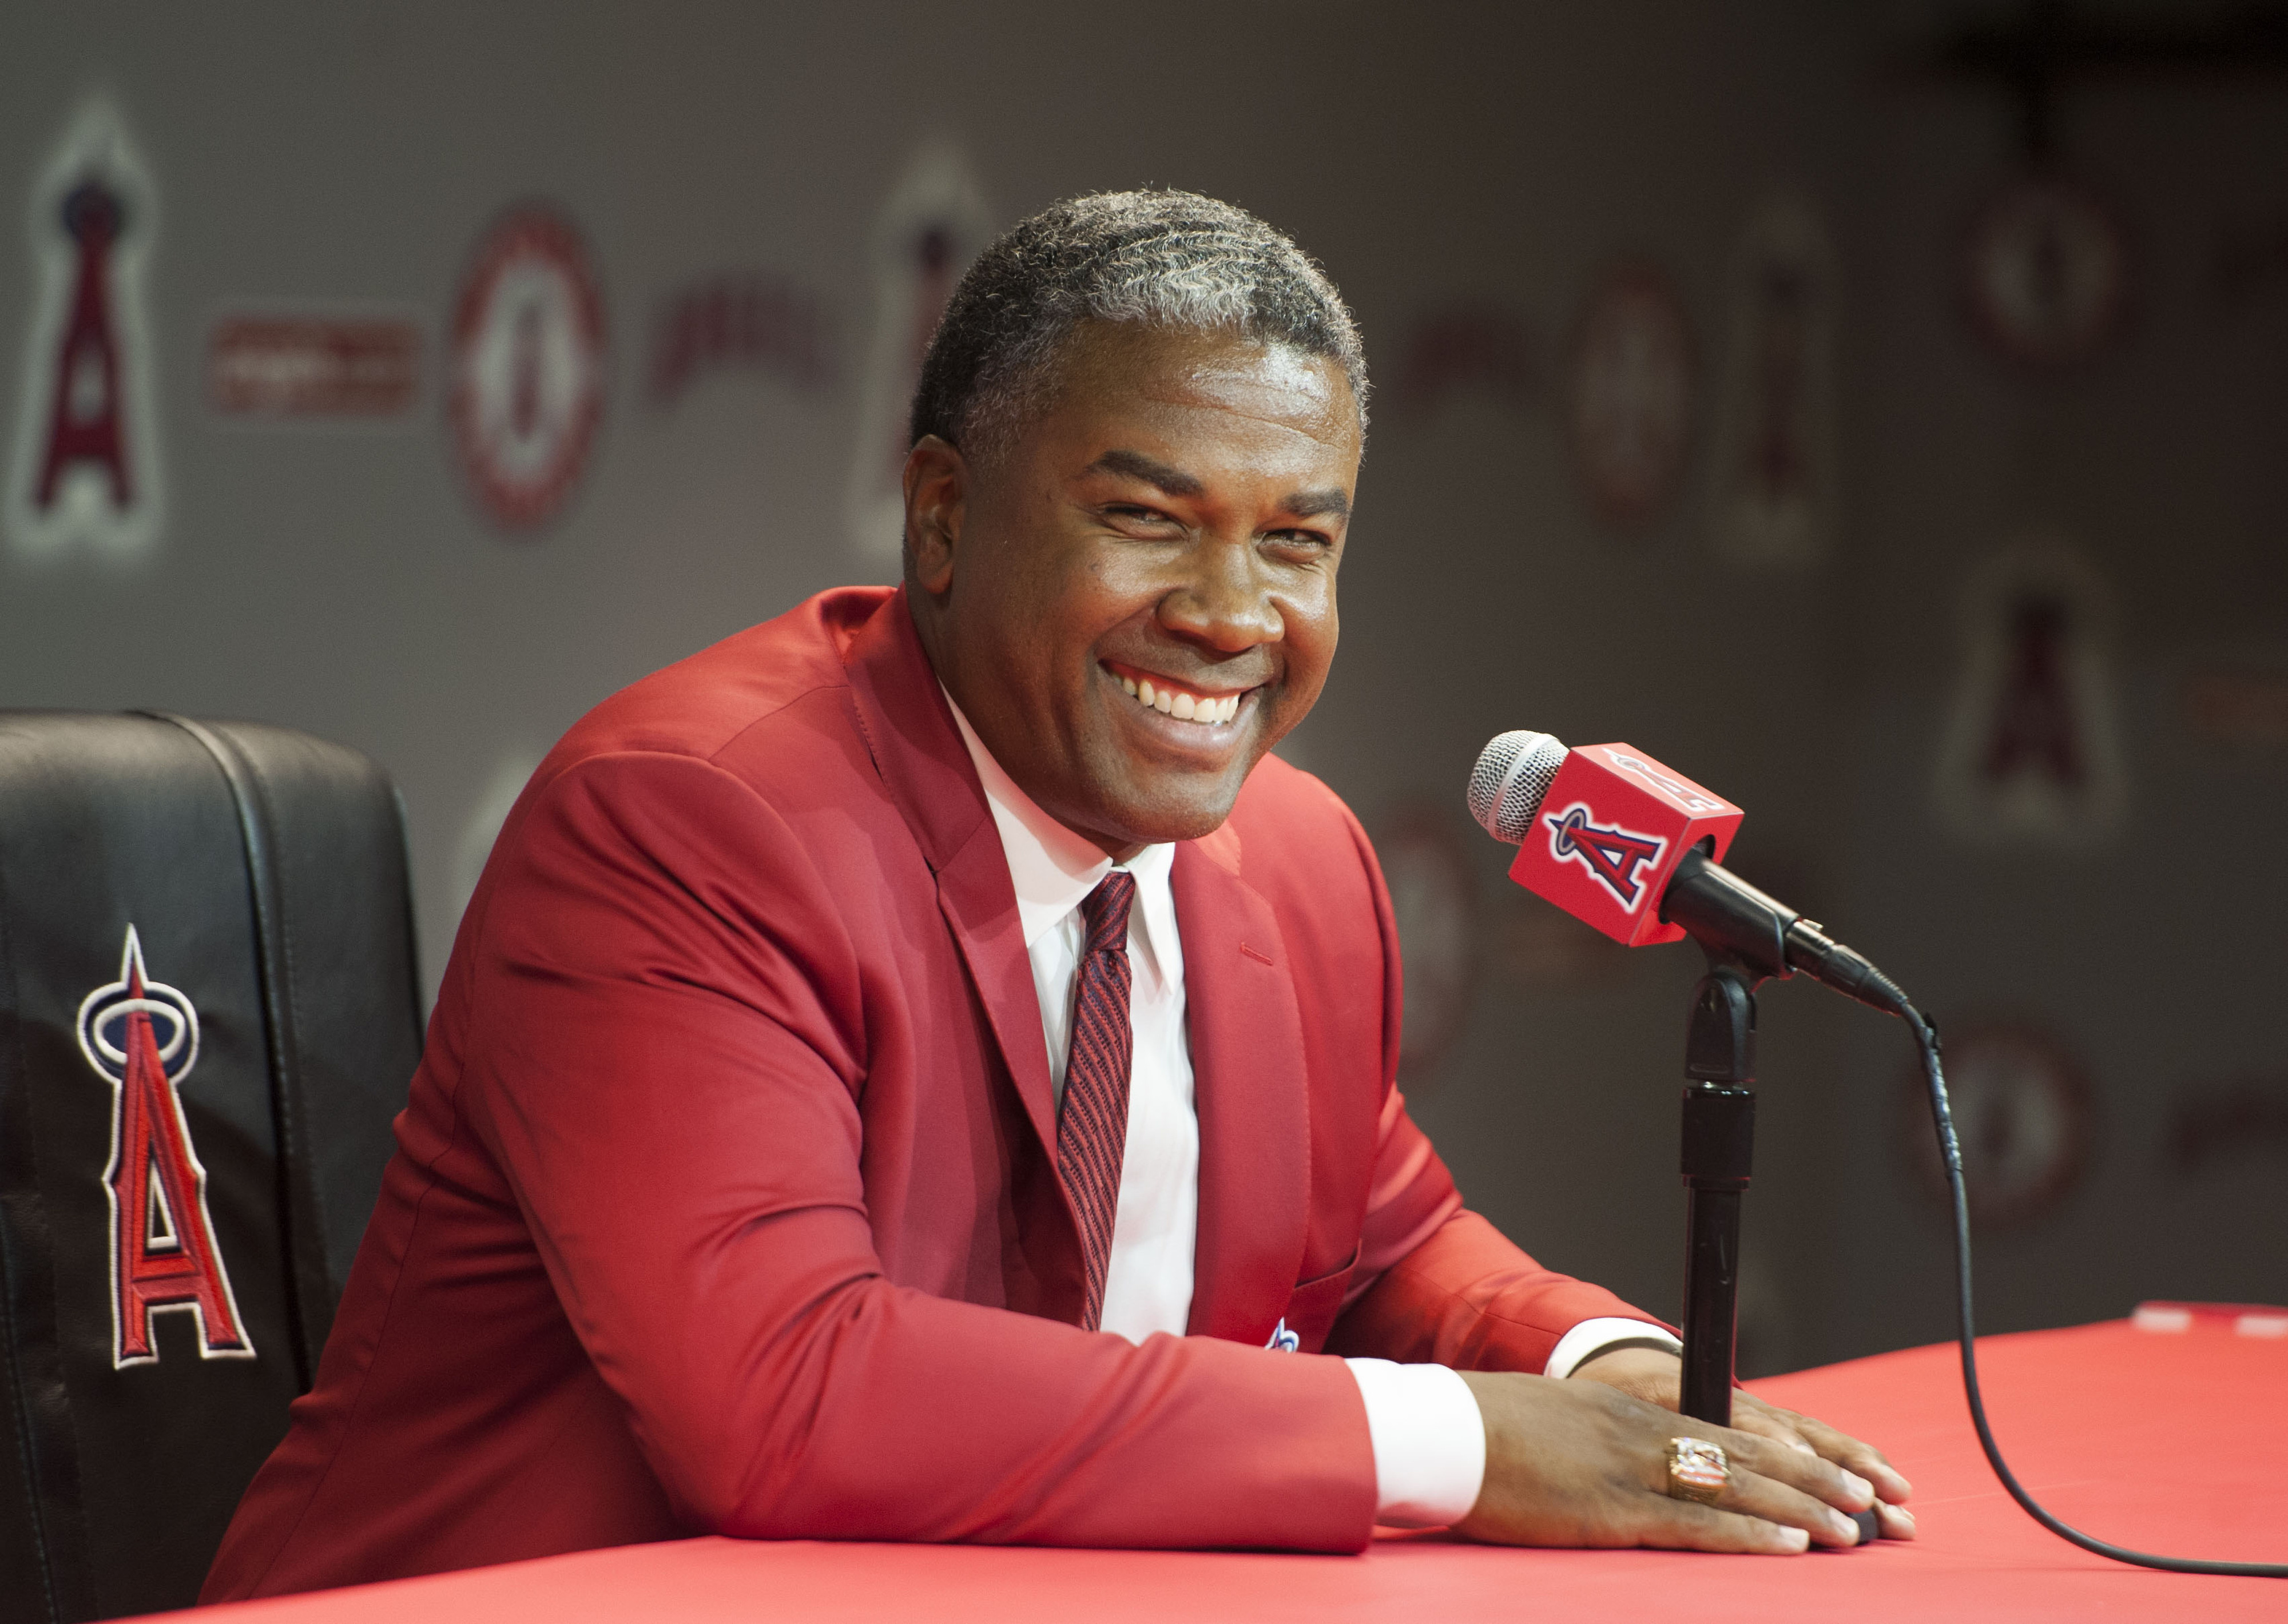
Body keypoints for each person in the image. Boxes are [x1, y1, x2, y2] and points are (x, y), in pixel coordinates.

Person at [204, 191, 1911, 1601]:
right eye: (1150, 520)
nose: (1234, 612)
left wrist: (1608, 1384)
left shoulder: (1299, 862)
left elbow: (1389, 1245)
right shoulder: (689, 829)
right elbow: (784, 1399)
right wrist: (1458, 1450)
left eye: (1298, 543)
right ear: (941, 520)